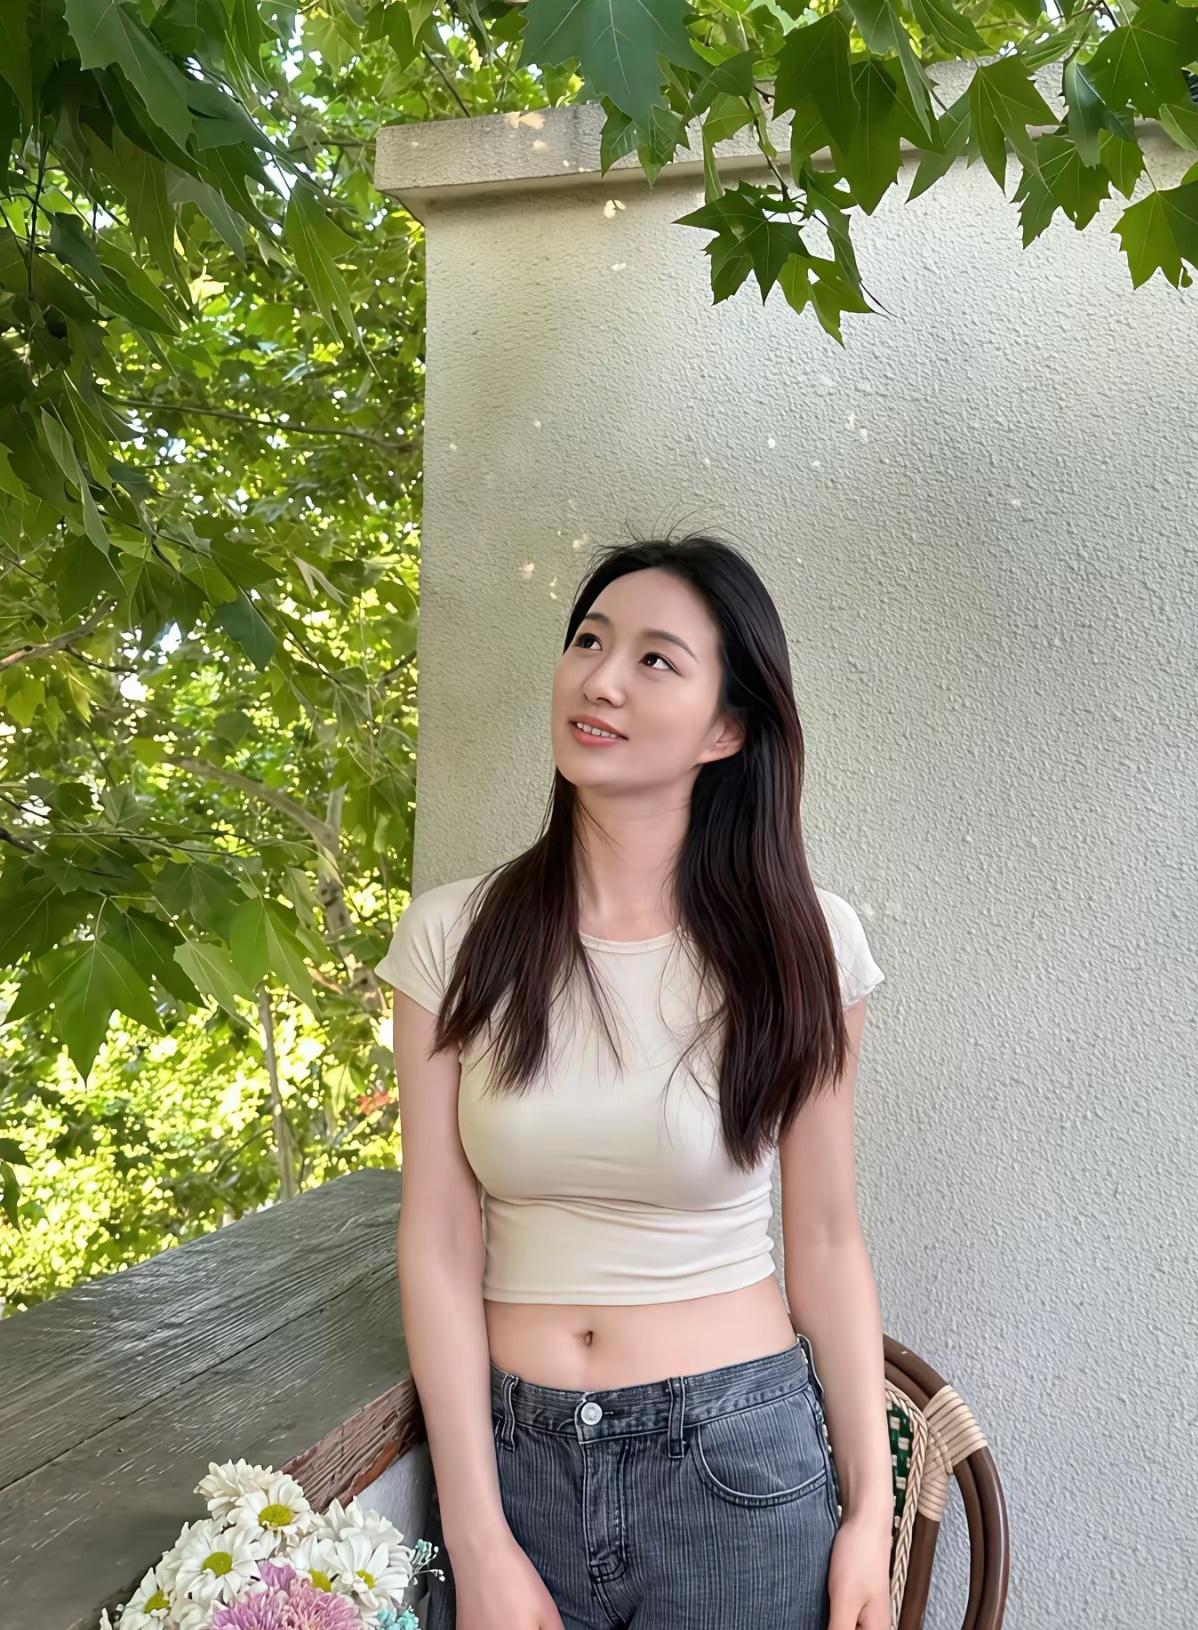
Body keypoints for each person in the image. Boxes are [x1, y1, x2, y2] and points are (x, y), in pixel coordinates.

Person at [375, 534, 895, 1630]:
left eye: (656, 659)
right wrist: (477, 1535)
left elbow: (824, 1239)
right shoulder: (451, 937)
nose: (601, 679)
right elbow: (438, 1237)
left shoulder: (805, 941)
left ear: (726, 728)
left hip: (735, 1468)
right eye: (588, 641)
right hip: (514, 1462)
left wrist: (869, 1512)